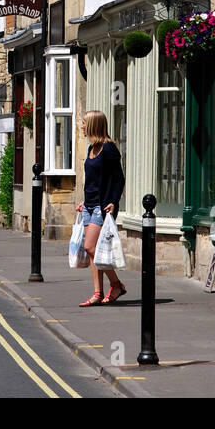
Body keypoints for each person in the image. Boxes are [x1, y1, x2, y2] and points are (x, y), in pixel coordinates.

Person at [78, 110, 126, 307]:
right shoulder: (91, 148)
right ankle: (97, 293)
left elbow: (119, 178)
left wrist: (114, 201)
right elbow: (92, 181)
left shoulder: (109, 149)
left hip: (102, 206)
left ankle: (116, 284)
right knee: (92, 252)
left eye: (83, 122)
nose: (81, 125)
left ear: (93, 125)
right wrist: (84, 201)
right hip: (89, 205)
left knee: (92, 247)